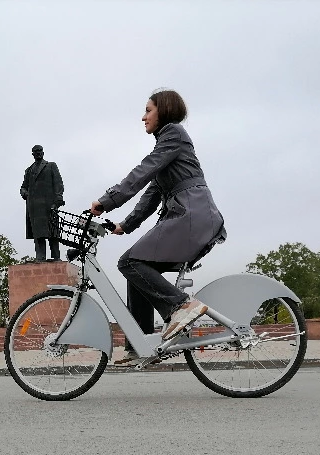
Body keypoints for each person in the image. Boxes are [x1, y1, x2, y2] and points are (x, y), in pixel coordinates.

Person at [90, 89, 227, 364]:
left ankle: (181, 306)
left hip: (192, 216)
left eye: (148, 110)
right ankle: (140, 345)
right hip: (189, 216)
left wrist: (106, 201)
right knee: (138, 266)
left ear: (163, 110)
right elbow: (151, 194)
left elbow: (142, 172)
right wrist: (124, 225)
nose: (143, 117)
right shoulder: (167, 148)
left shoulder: (173, 134)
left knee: (129, 263)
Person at [21, 144, 65, 262]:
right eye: (36, 151)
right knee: (38, 233)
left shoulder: (51, 166)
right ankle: (40, 256)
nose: (39, 153)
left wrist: (58, 198)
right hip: (34, 206)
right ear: (33, 154)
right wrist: (24, 192)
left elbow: (58, 183)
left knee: (52, 231)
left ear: (43, 152)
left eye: (40, 151)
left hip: (49, 204)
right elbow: (24, 187)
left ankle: (56, 256)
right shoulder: (29, 170)